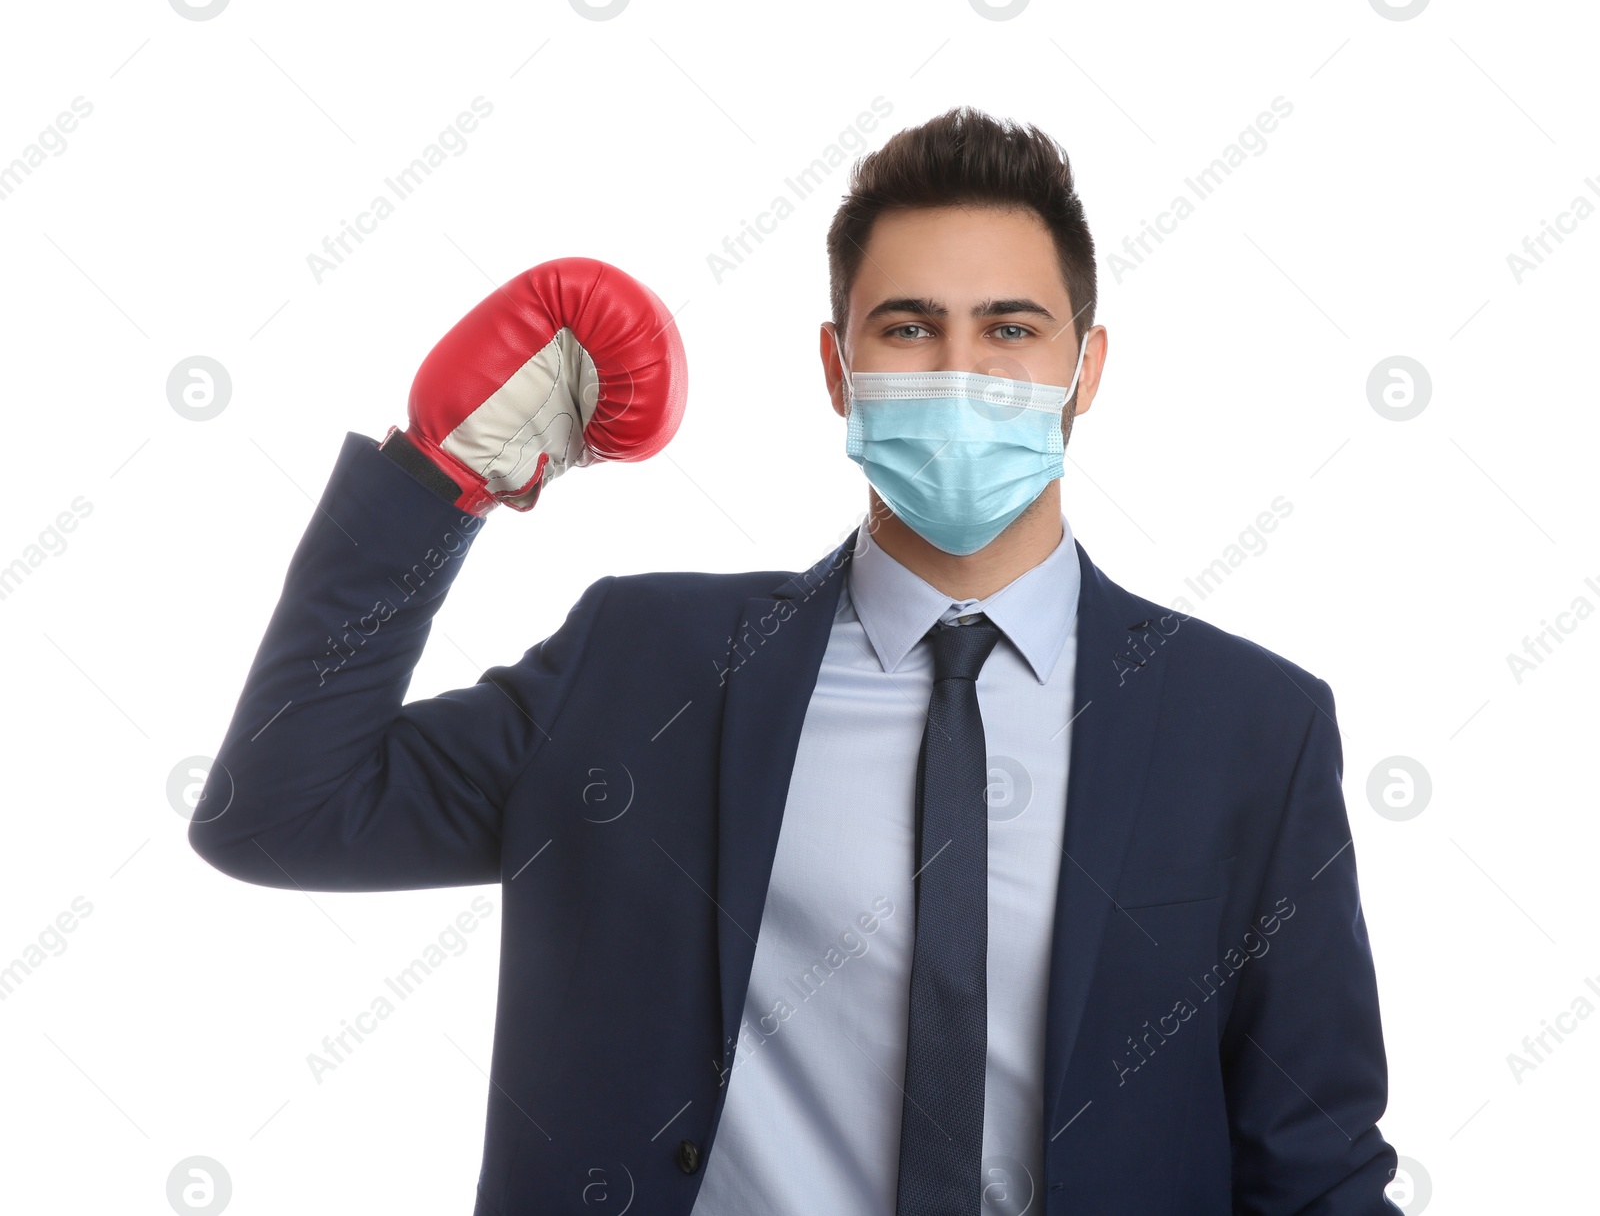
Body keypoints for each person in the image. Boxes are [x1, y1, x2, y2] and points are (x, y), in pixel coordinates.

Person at [190, 106, 1402, 1215]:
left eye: (1012, 328)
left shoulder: (1249, 725)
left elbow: (1317, 1174)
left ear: (1086, 369)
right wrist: (436, 480)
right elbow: (281, 810)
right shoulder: (641, 663)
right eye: (909, 326)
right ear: (838, 369)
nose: (959, 370)